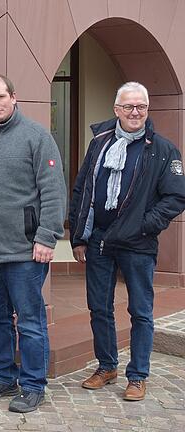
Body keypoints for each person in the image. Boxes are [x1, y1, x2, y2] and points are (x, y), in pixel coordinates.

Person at [70, 81, 185, 401]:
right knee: (99, 308)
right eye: (129, 107)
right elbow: (83, 189)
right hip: (99, 241)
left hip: (138, 243)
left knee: (141, 311)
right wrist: (79, 237)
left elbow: (176, 197)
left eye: (141, 107)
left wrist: (144, 225)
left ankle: (137, 375)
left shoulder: (162, 149)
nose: (136, 112)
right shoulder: (100, 142)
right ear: (116, 109)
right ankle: (107, 366)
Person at [0, 75, 66, 413]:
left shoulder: (37, 136)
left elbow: (53, 191)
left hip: (25, 250)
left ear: (14, 96)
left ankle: (34, 384)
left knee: (30, 321)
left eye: (0, 97)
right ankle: (4, 377)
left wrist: (47, 236)